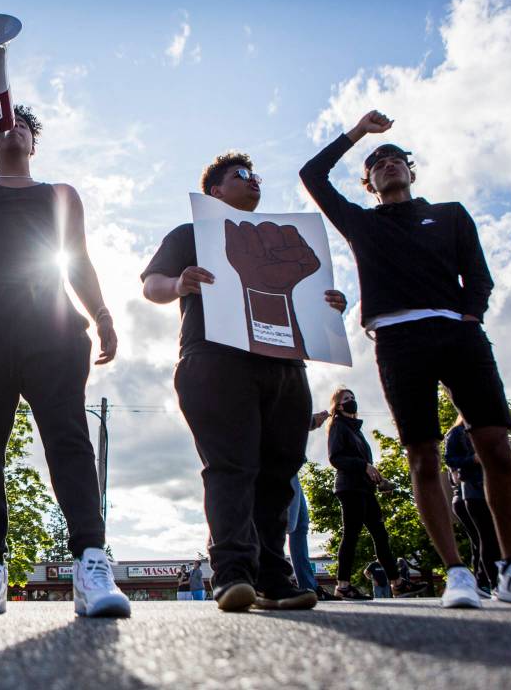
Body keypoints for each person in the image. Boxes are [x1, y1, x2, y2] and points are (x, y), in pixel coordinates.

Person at [300, 109, 511, 608]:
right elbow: (311, 175)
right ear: (368, 182)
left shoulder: (450, 214)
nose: (387, 164)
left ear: (411, 170)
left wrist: (470, 317)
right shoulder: (361, 224)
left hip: (458, 334)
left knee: (494, 445)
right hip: (398, 340)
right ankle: (456, 574)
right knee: (422, 454)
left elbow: (479, 275)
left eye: (395, 159)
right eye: (377, 163)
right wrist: (360, 132)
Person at [0, 99, 130, 617]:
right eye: (3, 129)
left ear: (33, 142)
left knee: (68, 435)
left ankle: (91, 561)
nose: (11, 132)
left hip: (50, 315)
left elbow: (79, 259)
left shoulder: (60, 193)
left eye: (20, 126)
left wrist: (103, 312)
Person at [141, 151, 347, 612]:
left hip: (284, 364)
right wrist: (178, 284)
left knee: (280, 469)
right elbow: (151, 284)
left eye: (256, 177)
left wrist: (327, 302)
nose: (253, 182)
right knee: (232, 466)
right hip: (215, 360)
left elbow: (310, 291)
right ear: (215, 190)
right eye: (241, 176)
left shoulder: (291, 239)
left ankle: (275, 576)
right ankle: (233, 574)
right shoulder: (191, 234)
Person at [327, 388, 426, 600]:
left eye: (353, 397)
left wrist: (381, 480)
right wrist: (363, 465)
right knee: (351, 535)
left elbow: (366, 466)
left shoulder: (356, 431)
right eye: (346, 399)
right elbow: (336, 458)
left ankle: (397, 583)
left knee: (381, 535)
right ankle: (343, 585)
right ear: (338, 406)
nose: (352, 401)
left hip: (365, 489)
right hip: (350, 489)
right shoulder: (338, 426)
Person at [444, 417, 500, 592]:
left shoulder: (487, 430)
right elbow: (450, 459)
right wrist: (473, 458)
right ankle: (489, 581)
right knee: (485, 537)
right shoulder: (457, 433)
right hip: (469, 492)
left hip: (487, 489)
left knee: (481, 539)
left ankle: (481, 580)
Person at [288, 411, 338, 601]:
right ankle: (262, 579)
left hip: (292, 464)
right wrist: (310, 420)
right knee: (283, 523)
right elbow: (281, 417)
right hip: (279, 462)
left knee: (300, 525)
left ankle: (308, 585)